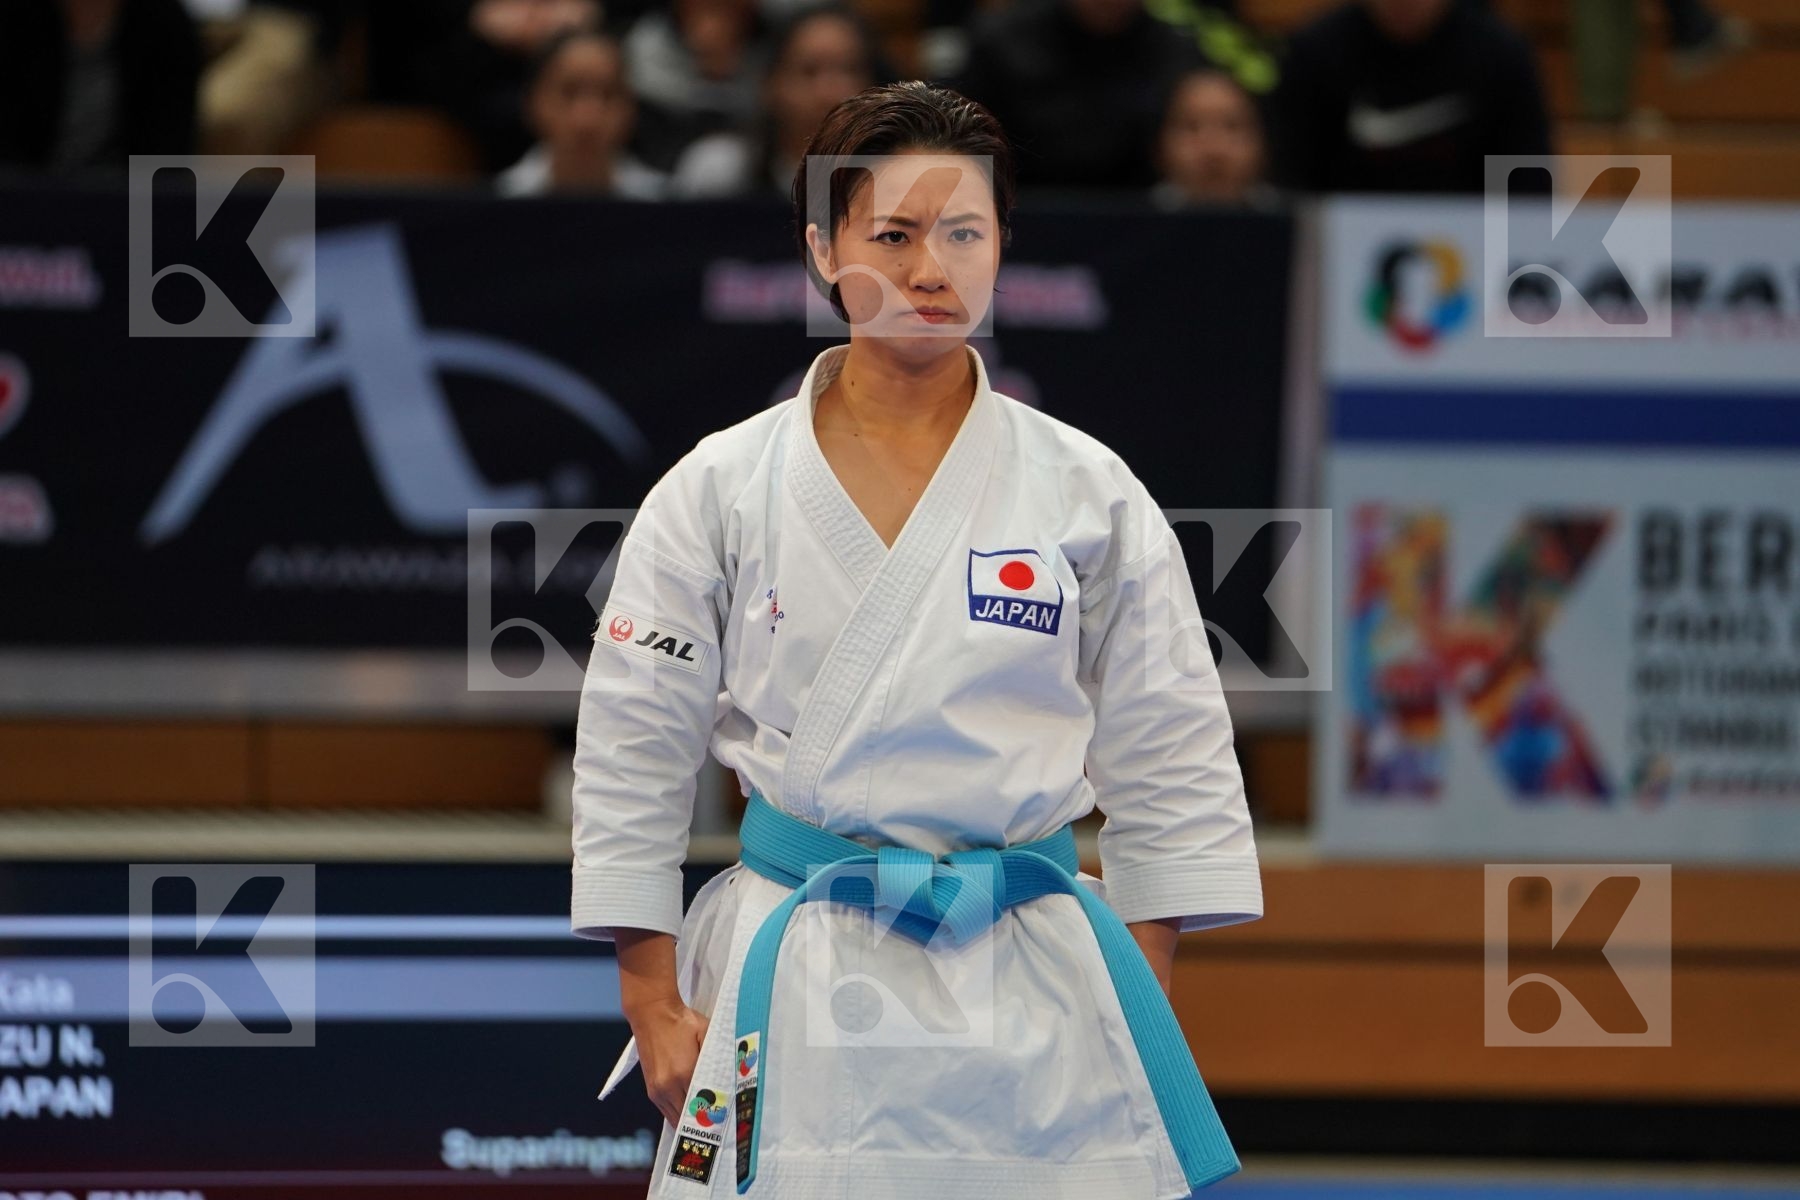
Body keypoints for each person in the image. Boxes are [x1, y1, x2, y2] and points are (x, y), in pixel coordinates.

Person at [570, 80, 1263, 1198]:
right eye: (893, 235)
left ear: (1003, 249)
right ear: (822, 247)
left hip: (1034, 976)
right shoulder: (720, 485)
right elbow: (631, 749)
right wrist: (650, 999)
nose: (931, 270)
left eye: (964, 233)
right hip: (799, 967)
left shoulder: (1087, 490)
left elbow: (1170, 748)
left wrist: (1134, 976)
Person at [1269, 0, 1551, 194]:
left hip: (1475, 253)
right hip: (1335, 251)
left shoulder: (1501, 56)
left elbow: (1529, 188)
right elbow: (1289, 182)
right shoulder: (1313, 53)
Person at [948, 0, 1207, 191]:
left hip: (1148, 217)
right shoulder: (1001, 41)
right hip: (1020, 214)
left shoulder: (1178, 54)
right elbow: (958, 141)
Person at [670, 3, 891, 200]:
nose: (829, 92)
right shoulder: (720, 170)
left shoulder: (898, 177)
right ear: (772, 84)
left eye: (849, 69)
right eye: (809, 71)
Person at [0, 0, 200, 172]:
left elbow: (168, 156)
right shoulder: (15, 18)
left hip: (128, 203)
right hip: (22, 201)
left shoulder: (165, 24)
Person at [497, 27, 666, 198]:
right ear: (533, 102)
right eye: (569, 92)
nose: (588, 117)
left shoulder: (666, 201)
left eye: (608, 93)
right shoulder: (496, 202)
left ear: (631, 105)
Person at [1152, 66, 1278, 208]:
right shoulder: (1131, 225)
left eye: (1232, 126)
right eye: (1192, 127)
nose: (1213, 149)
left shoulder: (1302, 224)